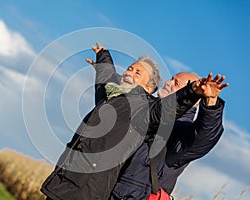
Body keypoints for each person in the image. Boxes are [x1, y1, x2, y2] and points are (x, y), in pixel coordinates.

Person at [41, 43, 211, 200]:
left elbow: (166, 110)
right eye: (129, 68)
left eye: (138, 73)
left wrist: (192, 92)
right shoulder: (116, 100)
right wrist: (103, 58)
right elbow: (106, 85)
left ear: (149, 88)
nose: (129, 72)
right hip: (66, 179)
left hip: (87, 190)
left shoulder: (145, 109)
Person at [91, 47, 228, 199]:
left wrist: (211, 102)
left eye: (176, 83)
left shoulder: (180, 130)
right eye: (171, 78)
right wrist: (104, 65)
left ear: (191, 93)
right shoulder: (150, 111)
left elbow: (204, 138)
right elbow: (110, 103)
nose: (168, 83)